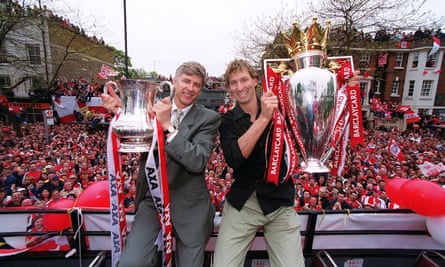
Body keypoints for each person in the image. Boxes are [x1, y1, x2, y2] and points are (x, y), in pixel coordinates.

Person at [102, 61, 221, 267]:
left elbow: (197, 160)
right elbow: (131, 142)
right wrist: (121, 114)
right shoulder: (149, 107)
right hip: (152, 199)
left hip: (190, 205)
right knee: (131, 263)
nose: (190, 88)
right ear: (174, 81)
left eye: (196, 84)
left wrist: (167, 127)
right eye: (186, 81)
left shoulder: (208, 118)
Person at [213, 59, 305, 267]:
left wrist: (347, 88)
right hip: (243, 204)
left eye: (244, 79)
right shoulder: (227, 121)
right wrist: (264, 118)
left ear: (255, 80)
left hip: (280, 201)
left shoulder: (283, 109)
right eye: (234, 82)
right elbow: (234, 158)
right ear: (229, 88)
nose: (240, 87)